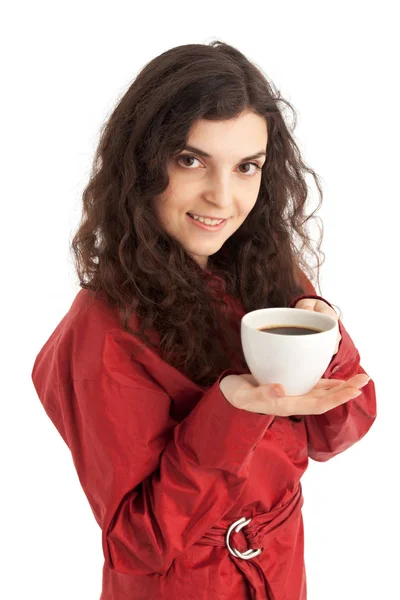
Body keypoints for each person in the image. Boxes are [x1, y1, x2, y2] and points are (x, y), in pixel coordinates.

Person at [31, 40, 376, 600]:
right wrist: (232, 412)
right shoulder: (103, 328)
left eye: (247, 167)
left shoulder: (265, 271)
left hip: (282, 570)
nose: (222, 197)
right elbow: (138, 545)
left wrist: (324, 336)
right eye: (190, 160)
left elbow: (340, 431)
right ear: (142, 164)